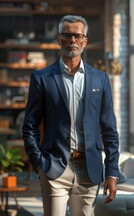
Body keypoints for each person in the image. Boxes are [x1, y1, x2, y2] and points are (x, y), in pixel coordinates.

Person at [22, 15, 120, 216]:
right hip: (54, 168)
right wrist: (39, 162)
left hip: (89, 169)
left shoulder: (100, 79)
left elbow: (109, 129)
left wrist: (111, 171)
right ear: (59, 39)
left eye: (77, 36)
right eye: (67, 35)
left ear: (85, 40)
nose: (72, 40)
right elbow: (30, 125)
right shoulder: (41, 78)